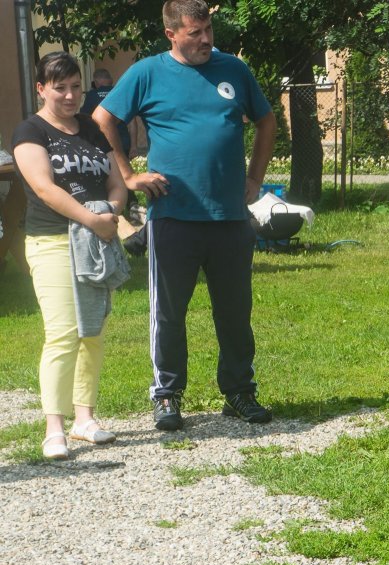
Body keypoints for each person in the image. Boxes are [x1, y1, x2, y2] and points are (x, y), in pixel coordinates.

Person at [93, 0, 276, 432]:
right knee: (169, 312)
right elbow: (102, 118)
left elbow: (265, 121)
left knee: (234, 310)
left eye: (208, 30)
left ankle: (239, 391)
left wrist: (255, 179)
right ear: (171, 34)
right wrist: (128, 174)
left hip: (230, 215)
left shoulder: (233, 69)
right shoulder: (147, 72)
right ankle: (167, 394)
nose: (206, 40)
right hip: (173, 215)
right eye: (195, 33)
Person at [12, 52, 128, 460]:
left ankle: (85, 418)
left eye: (76, 86)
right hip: (53, 242)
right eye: (60, 87)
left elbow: (117, 182)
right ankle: (54, 427)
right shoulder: (30, 132)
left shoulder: (92, 131)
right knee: (62, 332)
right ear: (41, 88)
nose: (70, 95)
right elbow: (44, 188)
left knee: (91, 332)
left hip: (94, 241)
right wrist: (91, 219)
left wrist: (111, 211)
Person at [79, 68, 131, 159]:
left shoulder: (91, 95)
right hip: (122, 141)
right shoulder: (120, 92)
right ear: (110, 80)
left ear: (96, 81)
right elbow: (132, 122)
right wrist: (133, 145)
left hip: (101, 142)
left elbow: (83, 117)